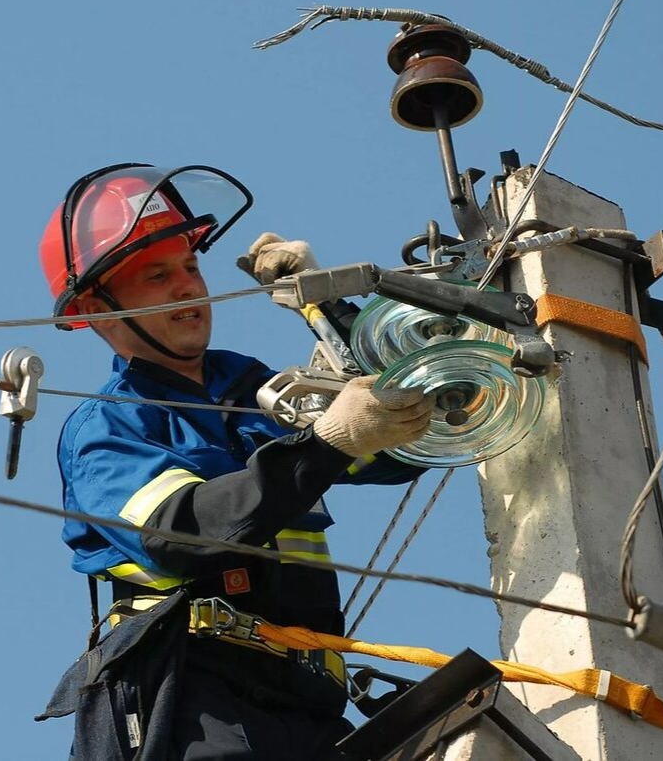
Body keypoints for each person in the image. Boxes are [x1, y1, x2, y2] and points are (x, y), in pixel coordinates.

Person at [35, 164, 433, 760]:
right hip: (194, 704)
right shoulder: (109, 429)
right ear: (96, 307)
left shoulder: (248, 388)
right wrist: (327, 443)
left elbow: (407, 430)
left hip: (308, 707)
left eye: (191, 267)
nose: (187, 287)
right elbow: (184, 534)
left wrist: (326, 306)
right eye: (157, 275)